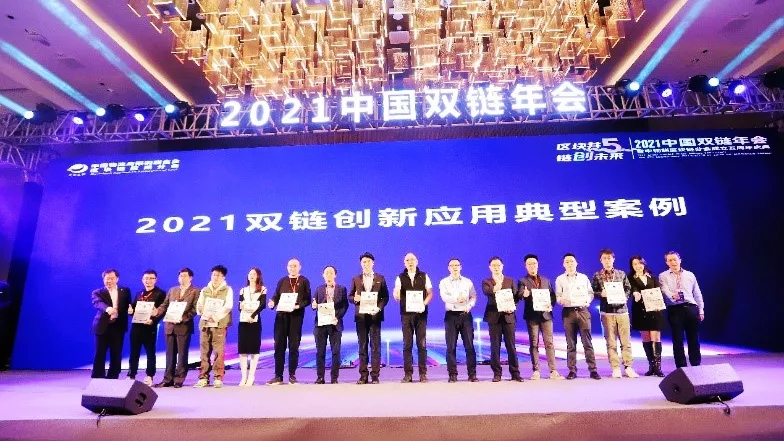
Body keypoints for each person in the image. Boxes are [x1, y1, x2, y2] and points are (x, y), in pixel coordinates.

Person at [590, 249, 637, 379]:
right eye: (604, 258)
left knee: (626, 341)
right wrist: (601, 294)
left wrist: (625, 297)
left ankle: (628, 366)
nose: (607, 261)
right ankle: (615, 367)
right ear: (601, 261)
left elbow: (628, 288)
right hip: (607, 312)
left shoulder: (621, 274)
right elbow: (592, 292)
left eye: (609, 258)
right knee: (611, 341)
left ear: (613, 259)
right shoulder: (597, 275)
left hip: (622, 311)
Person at [517, 254, 563, 380]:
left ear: (537, 265)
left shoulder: (546, 280)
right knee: (534, 343)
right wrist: (524, 294)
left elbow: (552, 296)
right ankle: (536, 370)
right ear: (526, 266)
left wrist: (550, 305)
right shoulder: (522, 281)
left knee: (549, 343)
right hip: (532, 316)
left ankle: (553, 370)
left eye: (534, 263)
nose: (532, 266)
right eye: (529, 264)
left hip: (546, 315)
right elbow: (519, 293)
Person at [555, 253, 601, 380]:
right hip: (568, 312)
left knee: (587, 342)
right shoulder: (560, 279)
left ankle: (593, 370)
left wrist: (587, 301)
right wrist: (560, 300)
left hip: (582, 311)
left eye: (572, 261)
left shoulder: (583, 277)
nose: (570, 264)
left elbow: (590, 293)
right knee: (571, 343)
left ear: (576, 263)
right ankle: (572, 370)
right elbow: (558, 295)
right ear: (563, 264)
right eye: (567, 262)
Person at [267, 258, 312, 385]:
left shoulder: (304, 280)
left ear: (299, 267)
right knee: (279, 346)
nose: (292, 268)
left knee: (293, 346)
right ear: (287, 267)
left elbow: (307, 300)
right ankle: (278, 376)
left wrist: (298, 306)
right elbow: (276, 296)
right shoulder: (282, 281)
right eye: (290, 266)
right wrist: (272, 303)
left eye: (295, 266)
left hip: (296, 317)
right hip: (281, 317)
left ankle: (292, 375)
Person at [348, 252, 390, 384]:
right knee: (362, 346)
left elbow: (385, 297)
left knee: (375, 346)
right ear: (361, 264)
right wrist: (355, 299)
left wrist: (378, 308)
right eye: (364, 262)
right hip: (360, 317)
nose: (366, 264)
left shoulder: (380, 278)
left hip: (375, 316)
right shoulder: (356, 279)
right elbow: (350, 296)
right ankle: (363, 375)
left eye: (368, 262)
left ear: (373, 263)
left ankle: (375, 376)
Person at [659, 251, 704, 368]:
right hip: (675, 309)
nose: (673, 262)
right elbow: (664, 289)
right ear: (666, 262)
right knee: (677, 339)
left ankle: (696, 365)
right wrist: (672, 295)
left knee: (694, 338)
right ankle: (681, 367)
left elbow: (697, 293)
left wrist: (701, 310)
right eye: (670, 260)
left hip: (691, 308)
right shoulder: (663, 276)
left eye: (675, 259)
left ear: (680, 260)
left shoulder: (690, 275)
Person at [155, 268, 199, 388]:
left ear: (190, 278)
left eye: (185, 276)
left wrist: (183, 318)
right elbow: (164, 305)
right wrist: (157, 311)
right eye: (180, 276)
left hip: (183, 326)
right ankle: (167, 379)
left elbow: (195, 309)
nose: (182, 278)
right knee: (170, 354)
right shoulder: (172, 290)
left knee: (182, 354)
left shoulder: (195, 291)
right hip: (170, 326)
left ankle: (179, 379)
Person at [482, 256, 524, 382]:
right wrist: (496, 287)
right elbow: (487, 292)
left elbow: (516, 297)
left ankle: (515, 373)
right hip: (493, 317)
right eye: (493, 265)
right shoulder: (487, 281)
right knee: (495, 346)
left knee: (511, 346)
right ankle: (497, 373)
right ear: (490, 267)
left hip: (508, 317)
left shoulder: (510, 280)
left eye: (498, 265)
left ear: (502, 266)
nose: (496, 267)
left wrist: (513, 306)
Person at [393, 253, 433, 383]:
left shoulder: (424, 276)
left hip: (421, 314)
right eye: (407, 260)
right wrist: (396, 294)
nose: (410, 262)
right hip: (406, 315)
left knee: (422, 344)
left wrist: (424, 304)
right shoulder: (400, 277)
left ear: (416, 261)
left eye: (412, 260)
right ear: (404, 263)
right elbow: (396, 293)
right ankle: (408, 374)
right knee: (407, 344)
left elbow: (430, 293)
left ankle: (423, 374)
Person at [438, 258, 478, 383]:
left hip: (465, 315)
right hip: (451, 316)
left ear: (461, 267)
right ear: (448, 268)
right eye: (452, 265)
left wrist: (470, 305)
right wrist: (457, 299)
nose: (454, 267)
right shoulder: (444, 282)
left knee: (469, 346)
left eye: (457, 265)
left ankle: (472, 374)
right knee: (451, 346)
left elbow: (473, 296)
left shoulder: (467, 281)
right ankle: (452, 374)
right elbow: (444, 297)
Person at [194, 265, 234, 388]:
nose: (215, 277)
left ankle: (218, 377)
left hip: (219, 324)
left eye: (218, 275)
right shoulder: (205, 289)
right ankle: (203, 377)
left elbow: (228, 306)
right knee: (204, 351)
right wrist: (204, 314)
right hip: (205, 323)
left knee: (219, 352)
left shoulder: (227, 290)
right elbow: (199, 305)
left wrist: (216, 317)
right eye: (214, 275)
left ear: (223, 277)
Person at [127, 270, 166, 386]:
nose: (148, 281)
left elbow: (162, 311)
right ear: (142, 280)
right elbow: (134, 309)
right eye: (146, 278)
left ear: (156, 280)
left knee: (150, 352)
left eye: (151, 278)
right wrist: (130, 312)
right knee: (134, 352)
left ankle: (149, 375)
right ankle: (131, 374)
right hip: (136, 326)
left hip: (150, 327)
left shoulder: (160, 293)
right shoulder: (139, 293)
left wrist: (153, 320)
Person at [628, 256, 666, 377]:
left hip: (654, 310)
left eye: (639, 263)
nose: (637, 266)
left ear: (644, 264)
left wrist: (659, 304)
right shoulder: (630, 278)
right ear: (632, 266)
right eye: (634, 264)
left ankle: (658, 367)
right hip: (640, 311)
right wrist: (635, 293)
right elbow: (631, 289)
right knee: (646, 338)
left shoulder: (652, 277)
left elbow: (658, 292)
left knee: (656, 337)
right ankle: (651, 365)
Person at [91, 269, 132, 379]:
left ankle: (113, 375)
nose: (109, 281)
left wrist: (131, 309)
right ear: (103, 279)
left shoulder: (125, 291)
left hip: (118, 326)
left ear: (117, 279)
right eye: (107, 278)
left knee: (116, 352)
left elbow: (129, 304)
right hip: (102, 326)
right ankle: (98, 376)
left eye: (112, 278)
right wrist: (108, 309)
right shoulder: (97, 292)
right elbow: (98, 303)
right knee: (100, 352)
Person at [311, 265, 348, 384]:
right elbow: (314, 304)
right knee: (320, 352)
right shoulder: (319, 289)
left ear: (335, 275)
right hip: (320, 324)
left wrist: (337, 317)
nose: (329, 275)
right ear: (323, 275)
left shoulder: (342, 289)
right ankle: (320, 377)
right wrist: (314, 306)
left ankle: (334, 378)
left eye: (331, 273)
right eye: (326, 273)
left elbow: (345, 306)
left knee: (335, 351)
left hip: (335, 323)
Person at [237, 268, 267, 387]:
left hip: (255, 321)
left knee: (254, 349)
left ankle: (251, 376)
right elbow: (239, 306)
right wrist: (242, 309)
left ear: (258, 276)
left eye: (254, 274)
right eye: (250, 274)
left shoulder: (262, 289)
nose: (252, 275)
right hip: (243, 321)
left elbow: (262, 305)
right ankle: (243, 376)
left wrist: (252, 315)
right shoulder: (243, 290)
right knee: (243, 349)